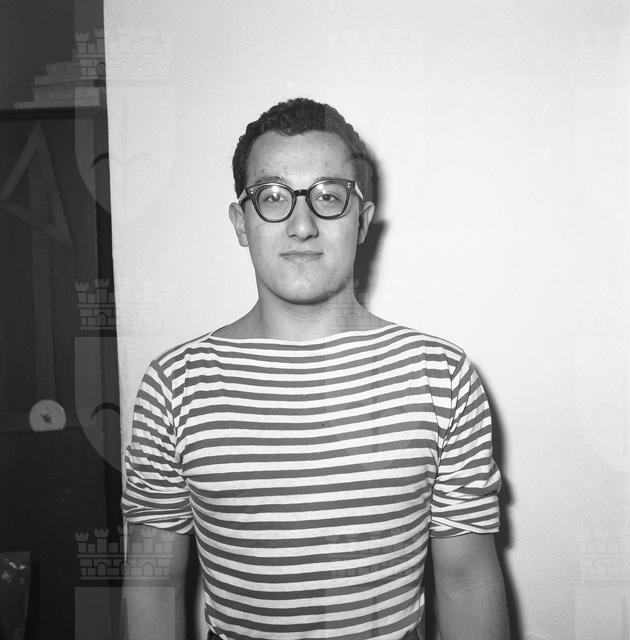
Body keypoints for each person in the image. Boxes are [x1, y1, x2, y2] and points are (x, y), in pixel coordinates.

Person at [121, 97, 510, 640]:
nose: (301, 224)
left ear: (362, 221)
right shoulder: (173, 385)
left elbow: (466, 582)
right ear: (240, 221)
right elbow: (153, 584)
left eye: (328, 196)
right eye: (272, 196)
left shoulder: (440, 376)